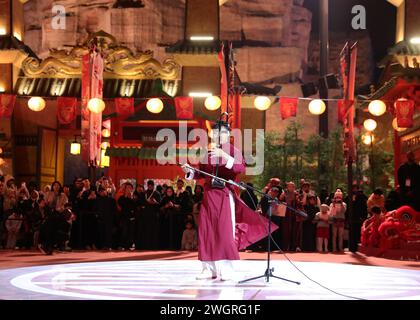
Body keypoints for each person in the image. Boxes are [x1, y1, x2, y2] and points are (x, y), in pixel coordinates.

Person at [182, 120, 277, 281]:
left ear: (228, 134)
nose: (219, 135)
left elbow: (241, 168)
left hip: (225, 195)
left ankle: (227, 269)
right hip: (209, 196)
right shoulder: (209, 151)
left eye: (222, 132)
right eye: (216, 133)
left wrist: (224, 156)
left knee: (225, 232)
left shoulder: (233, 150)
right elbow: (201, 173)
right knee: (206, 231)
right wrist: (190, 171)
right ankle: (208, 268)